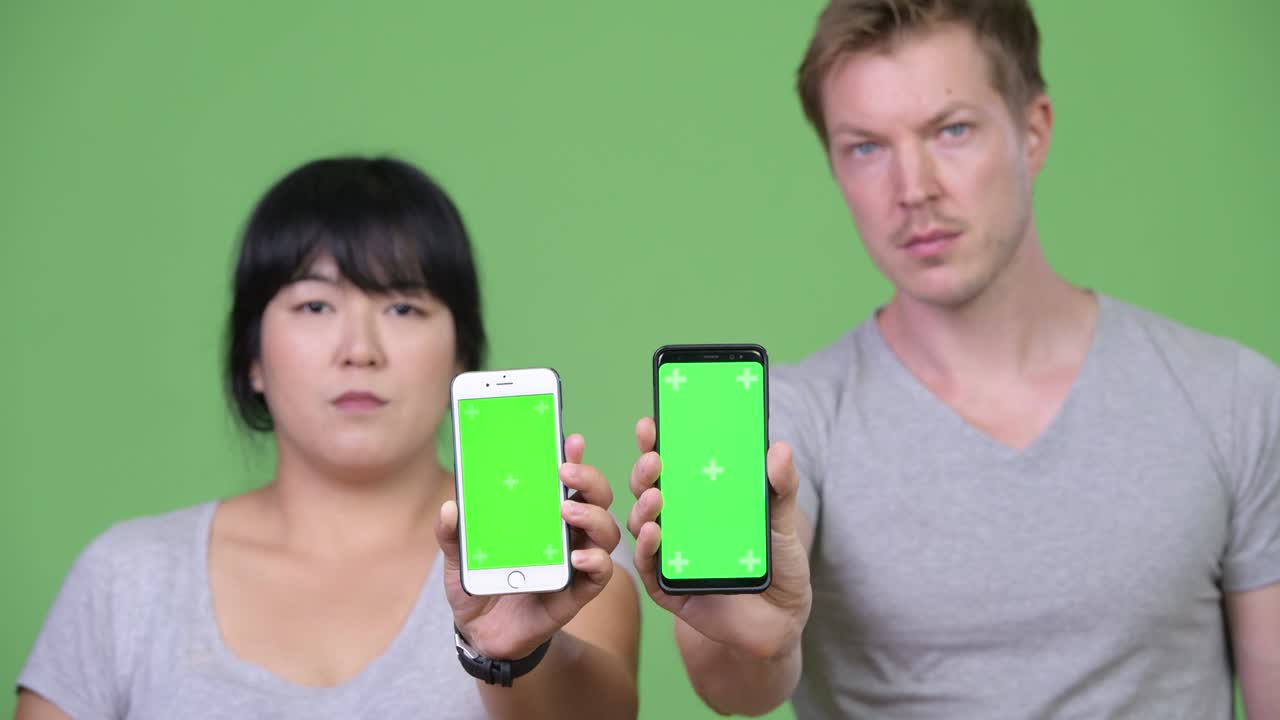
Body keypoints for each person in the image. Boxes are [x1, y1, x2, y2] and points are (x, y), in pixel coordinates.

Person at [625, 1, 1280, 717]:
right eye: (865, 148)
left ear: (1033, 131)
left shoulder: (1234, 399)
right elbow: (736, 683)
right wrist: (757, 636)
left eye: (952, 130)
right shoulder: (788, 424)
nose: (914, 189)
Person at [16, 156, 640, 720]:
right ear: (252, 357)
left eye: (403, 308)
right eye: (315, 306)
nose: (359, 350)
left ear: (461, 356)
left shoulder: (562, 554)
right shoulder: (126, 577)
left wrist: (514, 652)